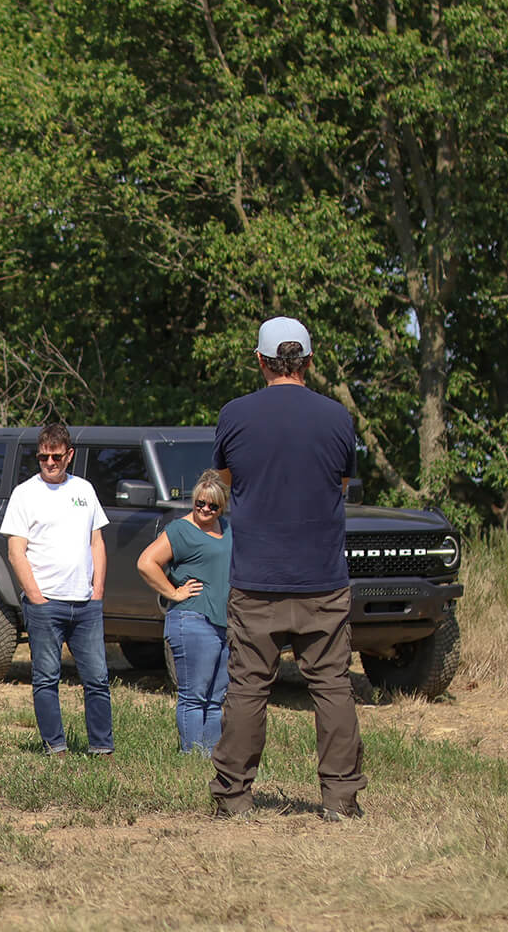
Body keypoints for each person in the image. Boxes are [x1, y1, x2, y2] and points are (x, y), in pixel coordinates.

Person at [209, 317, 366, 821]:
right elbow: (342, 483)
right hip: (322, 577)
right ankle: (340, 799)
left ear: (261, 360)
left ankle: (234, 799)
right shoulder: (338, 417)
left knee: (248, 688)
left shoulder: (235, 415)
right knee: (333, 687)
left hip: (256, 578)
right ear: (309, 363)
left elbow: (229, 479)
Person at [0, 422, 112, 756]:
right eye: (44, 457)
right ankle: (56, 747)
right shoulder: (25, 493)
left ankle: (102, 748)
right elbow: (15, 551)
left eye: (56, 457)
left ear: (69, 455)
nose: (50, 463)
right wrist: (35, 595)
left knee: (97, 679)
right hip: (45, 604)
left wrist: (98, 590)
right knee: (47, 678)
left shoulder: (84, 490)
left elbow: (97, 541)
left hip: (85, 603)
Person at [137, 469, 232, 756]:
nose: (204, 509)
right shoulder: (180, 530)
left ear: (222, 506)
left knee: (216, 699)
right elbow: (146, 562)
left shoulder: (226, 528)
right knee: (194, 697)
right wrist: (174, 592)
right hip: (193, 619)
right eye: (199, 503)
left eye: (212, 506)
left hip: (224, 623)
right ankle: (191, 758)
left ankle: (210, 757)